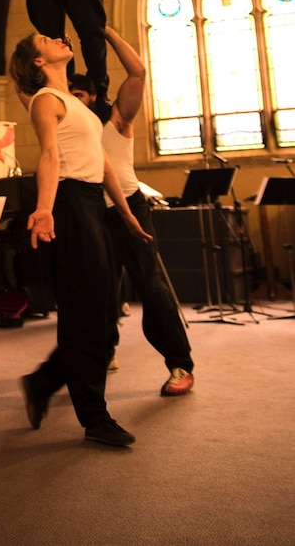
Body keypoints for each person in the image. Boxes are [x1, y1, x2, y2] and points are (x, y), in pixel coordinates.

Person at [8, 31, 152, 448]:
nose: (58, 38)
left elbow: (103, 162)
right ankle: (95, 417)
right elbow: (50, 156)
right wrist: (46, 208)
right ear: (38, 61)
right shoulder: (46, 102)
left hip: (92, 204)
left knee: (107, 309)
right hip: (69, 202)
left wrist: (124, 214)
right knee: (84, 310)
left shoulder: (75, 103)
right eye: (46, 40)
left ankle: (42, 381)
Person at [68, 27, 195, 398]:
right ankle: (105, 352)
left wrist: (103, 30)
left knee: (150, 287)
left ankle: (180, 364)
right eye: (70, 95)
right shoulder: (69, 124)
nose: (75, 100)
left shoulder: (117, 119)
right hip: (95, 215)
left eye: (80, 95)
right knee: (101, 290)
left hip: (131, 209)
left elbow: (137, 72)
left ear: (93, 96)